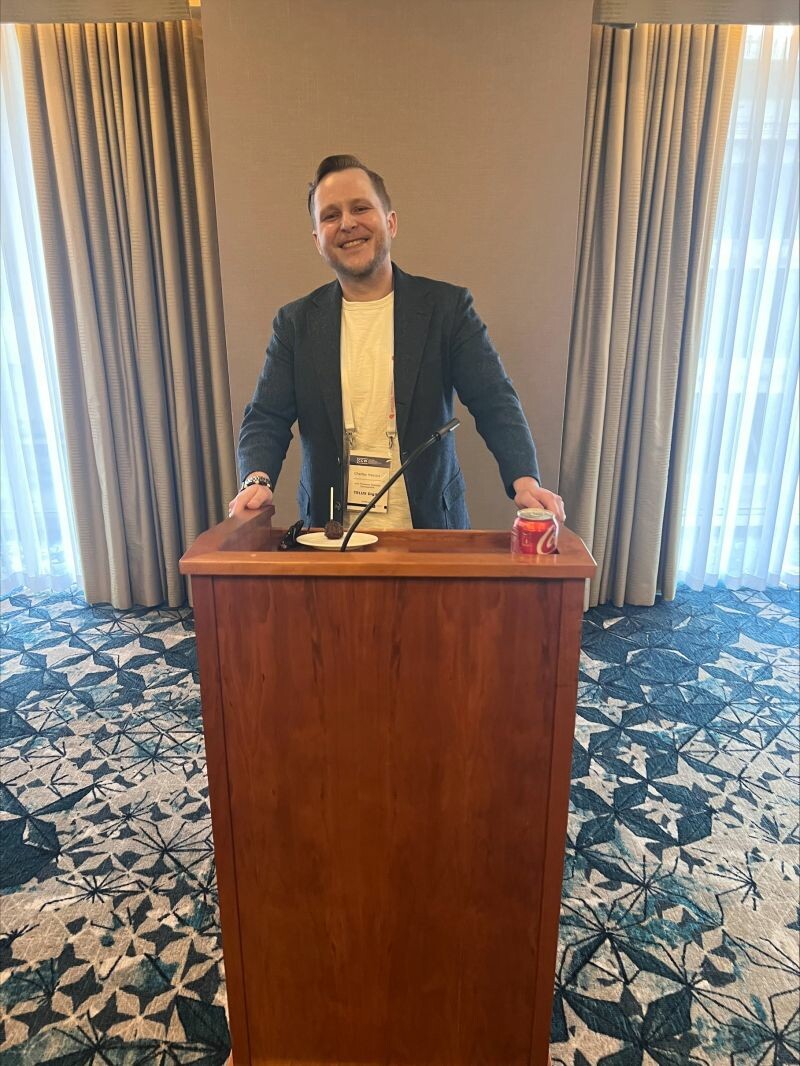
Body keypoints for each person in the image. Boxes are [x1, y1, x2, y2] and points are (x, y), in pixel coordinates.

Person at [228, 155, 565, 530]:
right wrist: (255, 479)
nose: (347, 223)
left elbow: (494, 399)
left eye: (360, 208)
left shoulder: (447, 309)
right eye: (330, 215)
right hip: (330, 536)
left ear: (390, 222)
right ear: (317, 241)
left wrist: (524, 479)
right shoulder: (295, 323)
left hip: (430, 533)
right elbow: (266, 416)